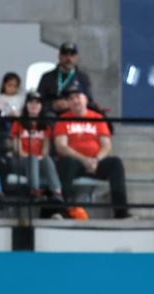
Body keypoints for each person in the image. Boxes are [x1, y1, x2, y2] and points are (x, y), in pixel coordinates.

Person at [53, 86, 129, 220]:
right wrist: (84, 160)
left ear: (86, 99)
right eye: (71, 98)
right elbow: (61, 147)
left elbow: (107, 145)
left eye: (78, 97)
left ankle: (121, 212)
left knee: (116, 163)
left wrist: (96, 160)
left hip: (95, 162)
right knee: (65, 162)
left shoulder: (97, 117)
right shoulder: (62, 119)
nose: (75, 101)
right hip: (74, 162)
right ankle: (66, 210)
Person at [9, 92, 63, 201]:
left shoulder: (46, 126)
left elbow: (45, 149)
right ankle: (34, 191)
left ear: (41, 106)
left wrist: (39, 157)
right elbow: (17, 149)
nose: (34, 105)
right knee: (32, 158)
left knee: (47, 159)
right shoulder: (18, 123)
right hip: (20, 160)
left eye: (37, 103)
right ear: (26, 105)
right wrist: (33, 157)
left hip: (39, 161)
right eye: (31, 102)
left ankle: (57, 192)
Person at [37, 42, 94, 116]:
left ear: (76, 57)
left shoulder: (83, 77)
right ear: (59, 56)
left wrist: (70, 103)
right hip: (52, 114)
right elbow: (38, 99)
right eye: (65, 55)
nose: (68, 58)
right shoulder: (47, 77)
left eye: (72, 55)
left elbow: (89, 100)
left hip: (74, 113)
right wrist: (52, 105)